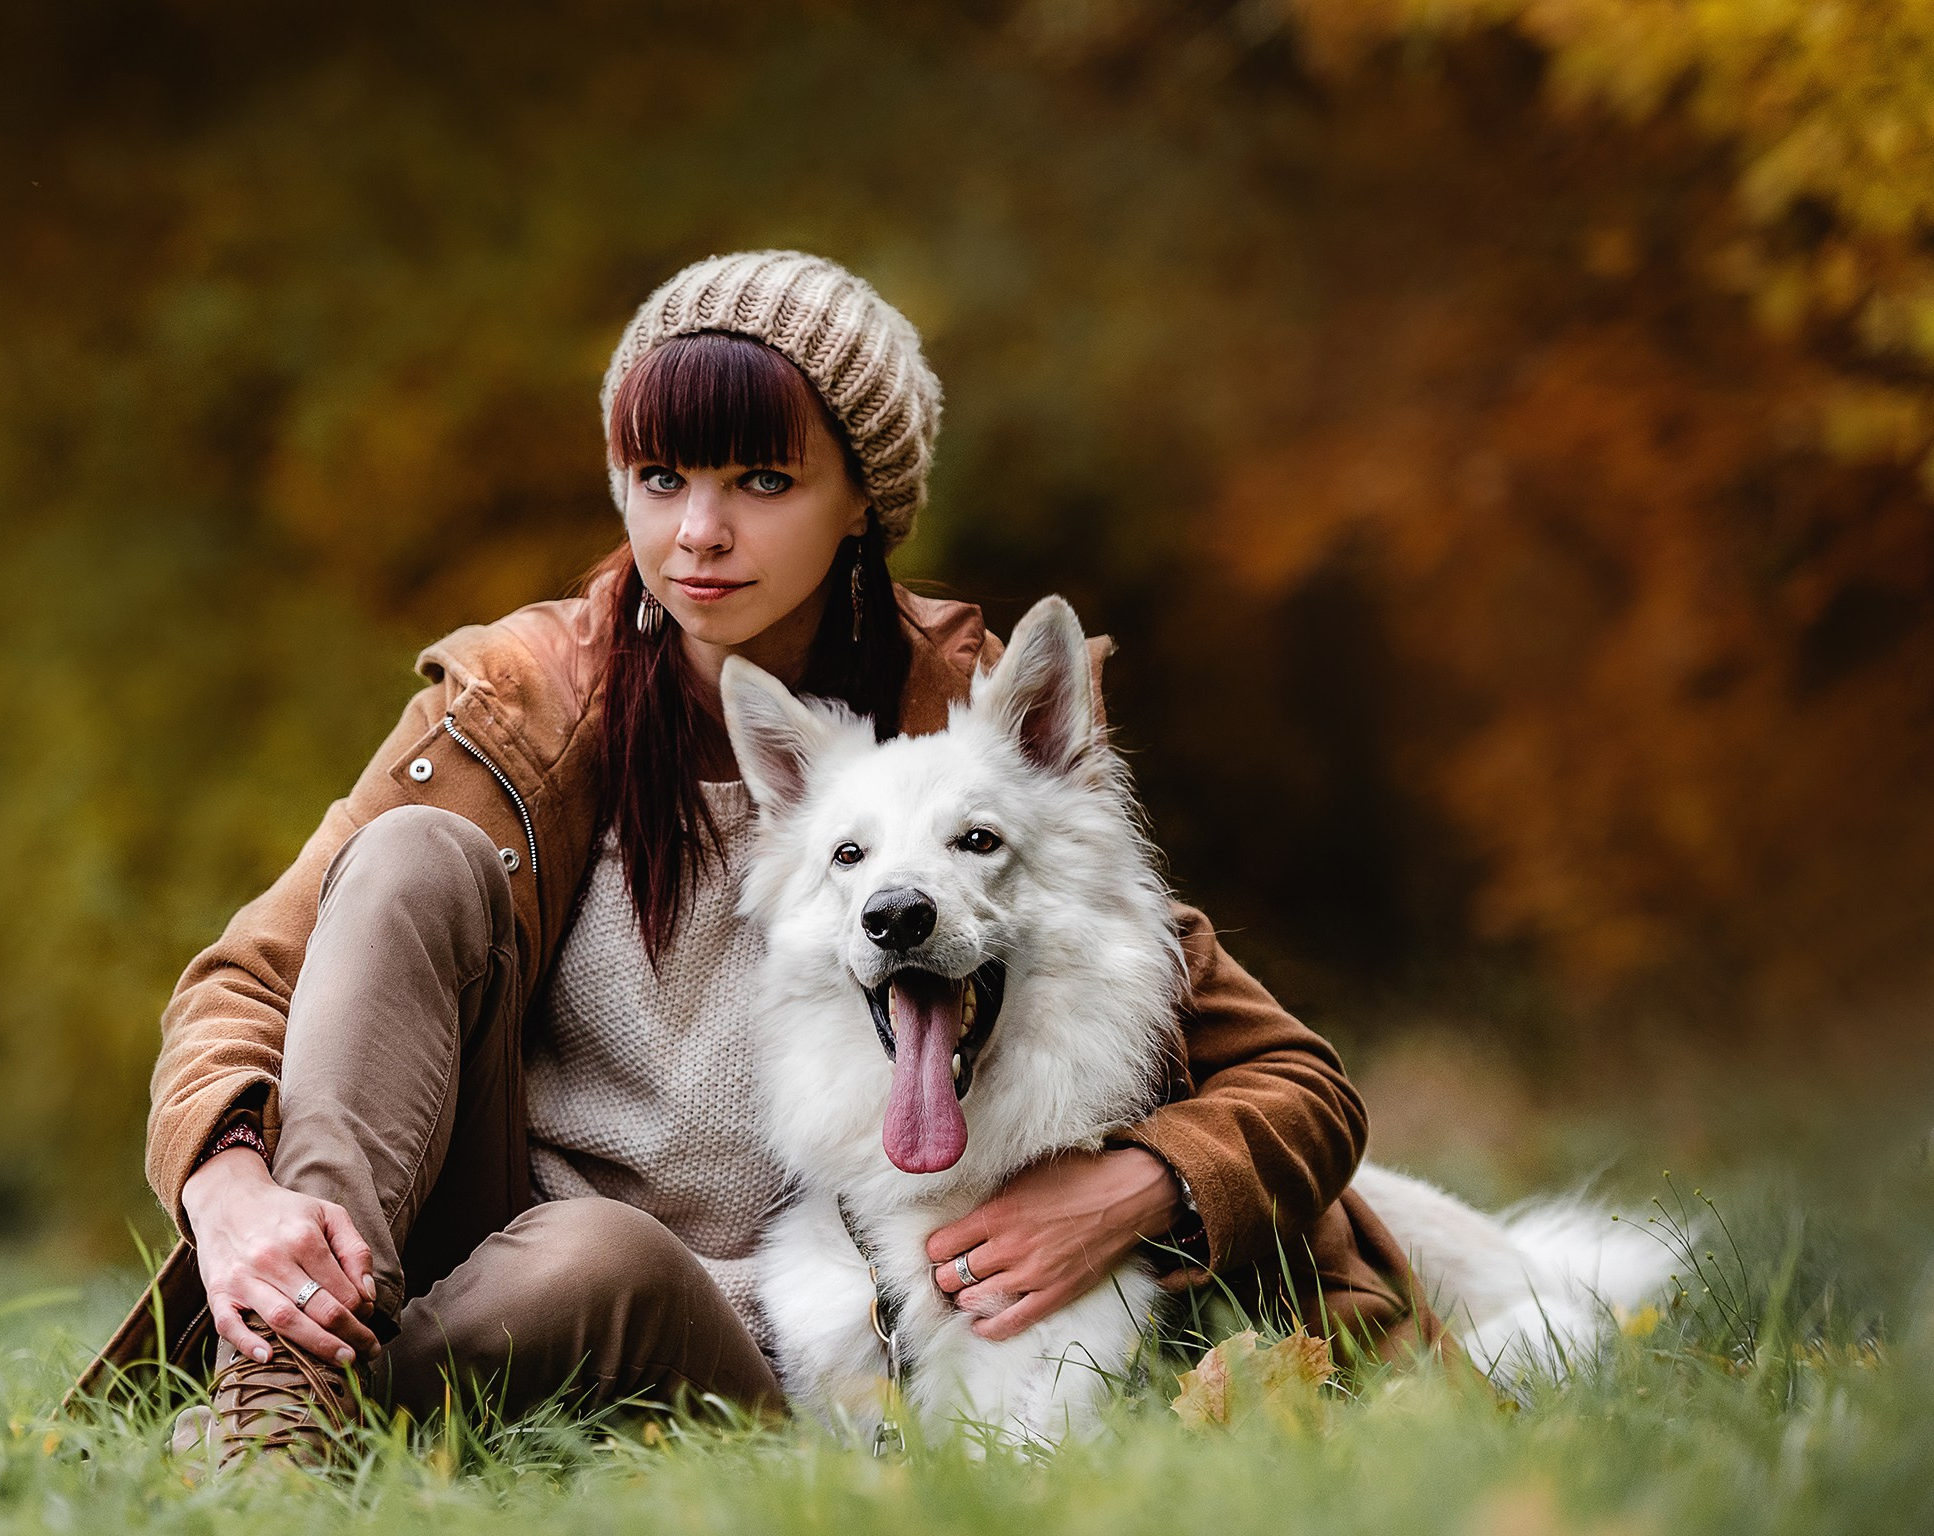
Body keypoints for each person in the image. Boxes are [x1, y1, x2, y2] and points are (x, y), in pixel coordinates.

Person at [71, 250, 1441, 1465]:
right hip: (475, 1237)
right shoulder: (518, 702)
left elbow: (1289, 1074)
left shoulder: (949, 737)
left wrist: (1133, 1187)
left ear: (863, 499)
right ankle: (286, 1396)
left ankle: (295, 1397)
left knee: (608, 1256)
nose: (698, 532)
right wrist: (232, 1187)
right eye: (660, 478)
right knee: (413, 855)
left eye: (762, 479)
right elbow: (246, 984)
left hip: (763, 1336)